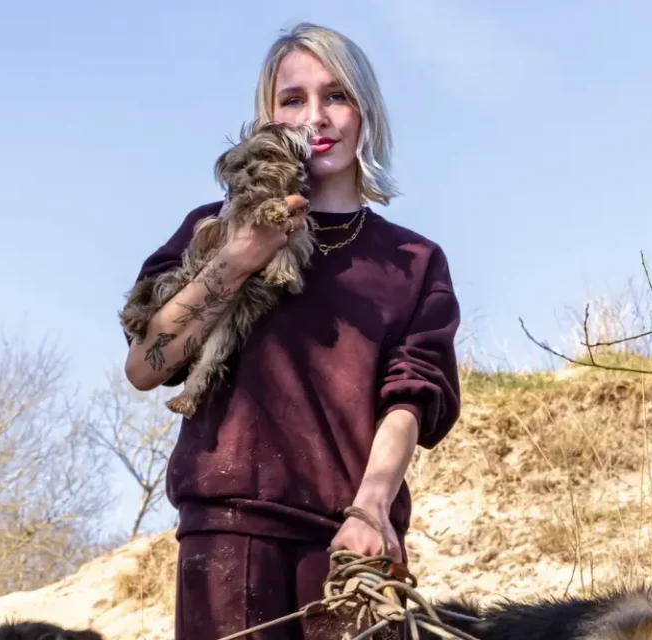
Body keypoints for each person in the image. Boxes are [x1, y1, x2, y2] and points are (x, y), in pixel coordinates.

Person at [121, 21, 462, 640]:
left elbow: (411, 400)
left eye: (336, 95)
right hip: (227, 535)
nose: (317, 117)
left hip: (352, 544)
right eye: (293, 99)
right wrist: (238, 257)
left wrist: (372, 507)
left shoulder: (413, 261)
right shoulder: (212, 229)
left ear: (366, 112)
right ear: (268, 119)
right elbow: (148, 364)